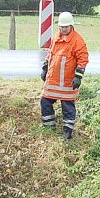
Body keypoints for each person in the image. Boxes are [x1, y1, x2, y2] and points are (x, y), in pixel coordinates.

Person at [41, 11, 89, 140]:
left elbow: (83, 59)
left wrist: (78, 77)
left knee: (67, 106)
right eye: (61, 27)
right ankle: (49, 126)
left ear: (71, 26)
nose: (63, 29)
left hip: (68, 81)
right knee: (45, 101)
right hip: (53, 80)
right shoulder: (57, 37)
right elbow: (50, 53)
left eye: (65, 27)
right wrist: (45, 67)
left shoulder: (77, 40)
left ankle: (68, 130)